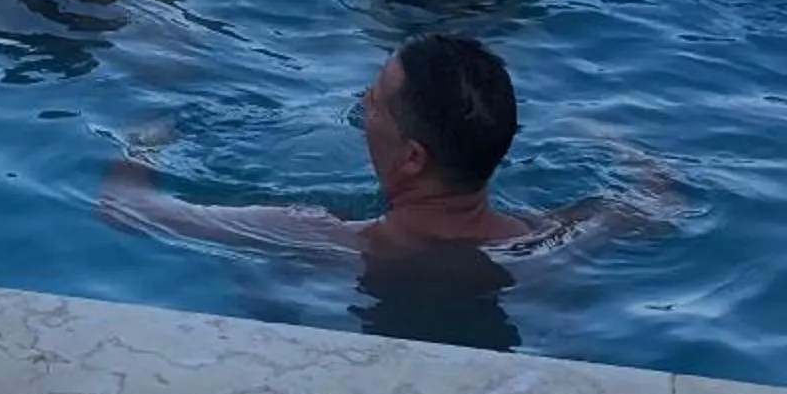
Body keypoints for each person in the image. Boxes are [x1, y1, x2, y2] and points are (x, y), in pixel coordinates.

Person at [99, 32, 677, 266]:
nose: (361, 106)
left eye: (374, 102)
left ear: (413, 158)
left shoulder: (319, 238)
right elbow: (660, 200)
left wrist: (143, 146)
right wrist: (608, 138)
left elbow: (127, 209)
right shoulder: (554, 243)